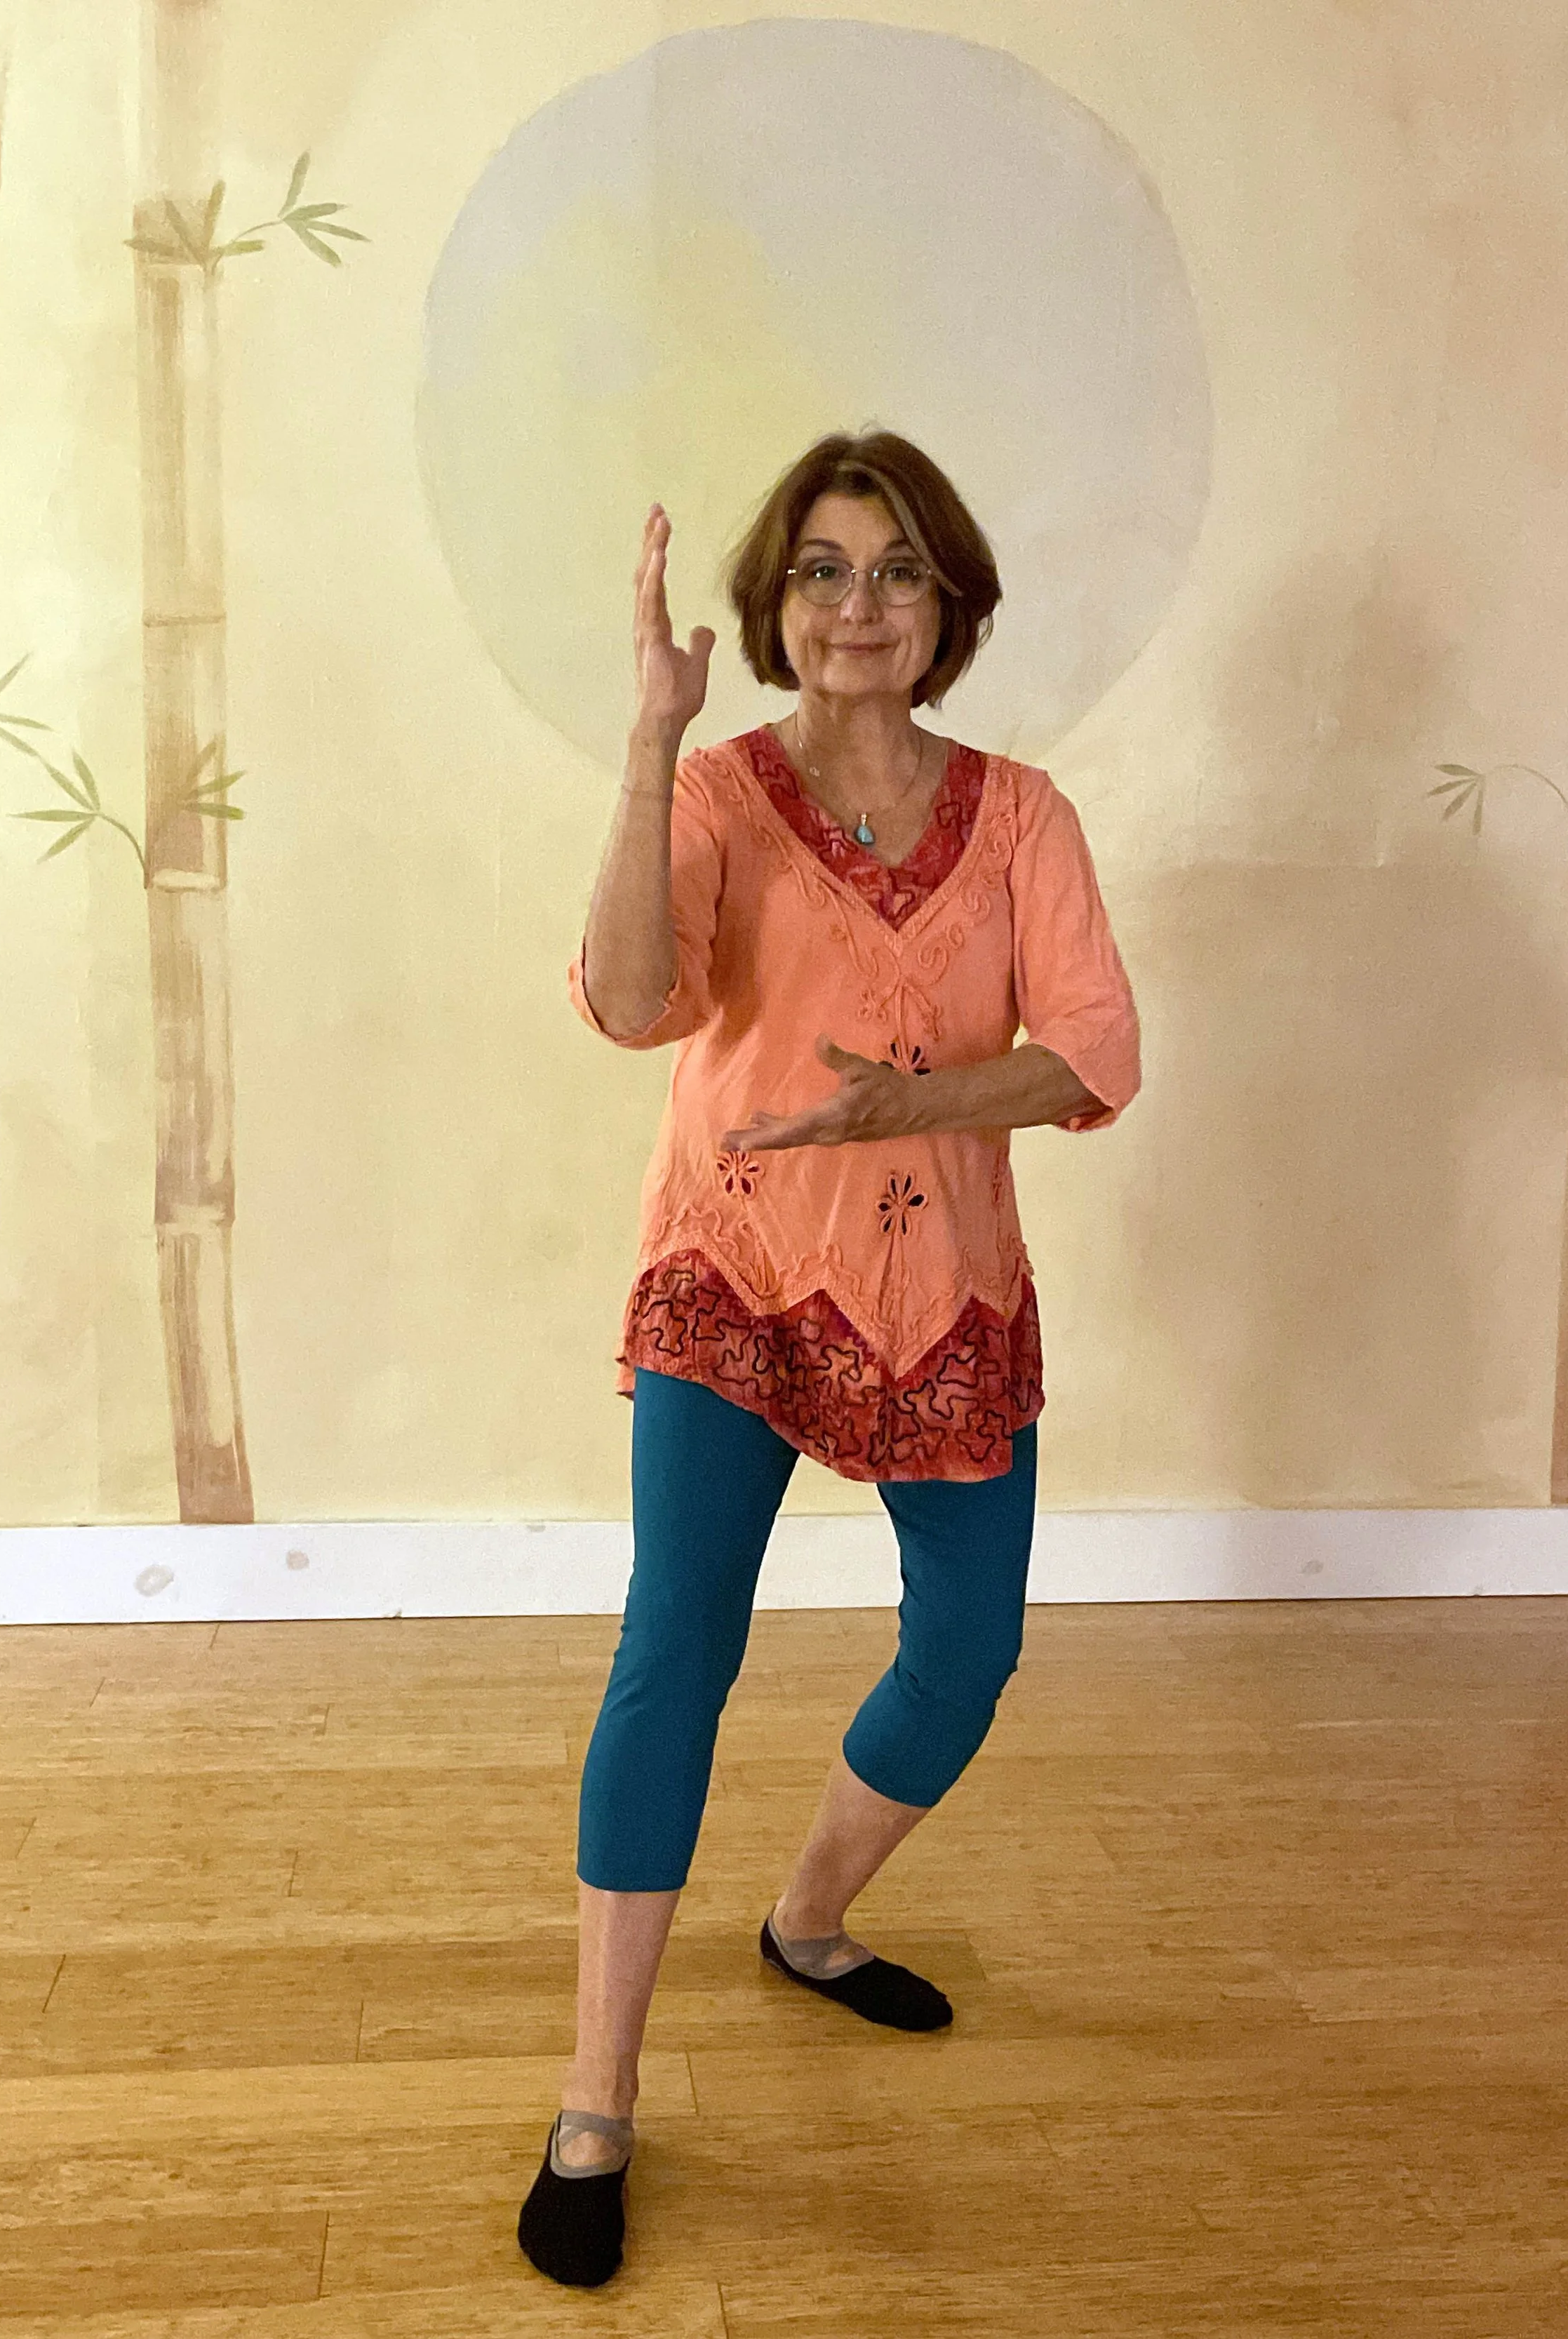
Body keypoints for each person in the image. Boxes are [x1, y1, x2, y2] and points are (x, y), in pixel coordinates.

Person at [518, 430, 1141, 2286]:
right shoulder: (711, 789)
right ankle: (594, 2095)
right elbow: (636, 1003)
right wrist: (644, 736)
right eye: (817, 570)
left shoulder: (1020, 815)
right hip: (732, 1272)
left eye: (890, 571)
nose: (853, 604)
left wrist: (923, 1100)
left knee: (969, 1647)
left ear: (946, 605)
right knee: (672, 1654)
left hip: (945, 1285)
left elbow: (1097, 1053)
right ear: (769, 607)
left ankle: (806, 1919)